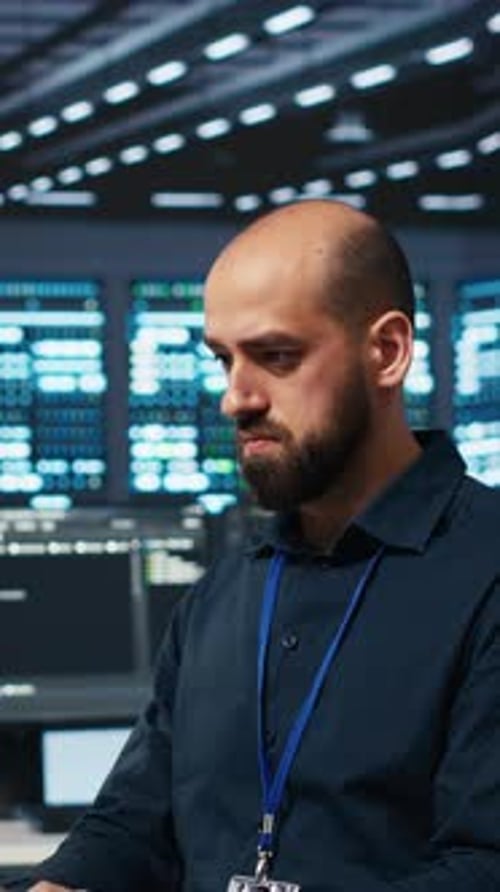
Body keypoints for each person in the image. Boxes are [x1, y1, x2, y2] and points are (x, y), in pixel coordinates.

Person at [11, 199, 500, 892]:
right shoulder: (226, 593)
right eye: (222, 360)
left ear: (386, 353)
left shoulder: (486, 571)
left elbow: (483, 868)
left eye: (275, 357)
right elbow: (134, 824)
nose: (235, 398)